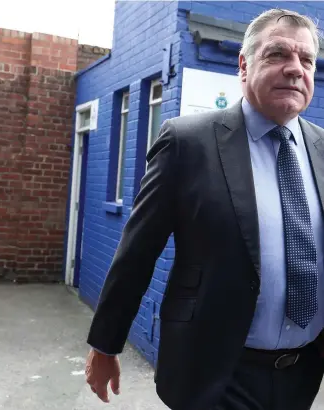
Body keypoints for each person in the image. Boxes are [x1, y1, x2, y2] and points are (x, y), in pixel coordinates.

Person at [84, 8, 324, 410]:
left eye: (307, 60)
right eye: (278, 54)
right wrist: (105, 344)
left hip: (302, 375)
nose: (294, 69)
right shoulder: (187, 142)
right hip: (216, 374)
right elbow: (137, 252)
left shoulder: (321, 147)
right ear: (244, 65)